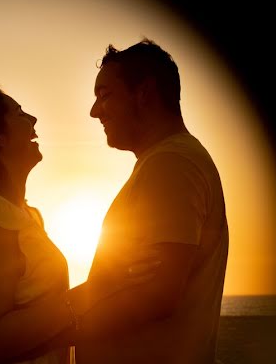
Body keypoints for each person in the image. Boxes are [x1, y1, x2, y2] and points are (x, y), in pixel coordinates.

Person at [0, 86, 158, 364]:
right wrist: (95, 291)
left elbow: (41, 327)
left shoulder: (25, 216)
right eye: (19, 113)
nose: (33, 120)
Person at [74, 39, 230, 364]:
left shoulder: (172, 162)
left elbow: (159, 295)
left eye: (105, 96)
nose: (94, 111)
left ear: (143, 93)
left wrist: (53, 327)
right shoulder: (164, 162)